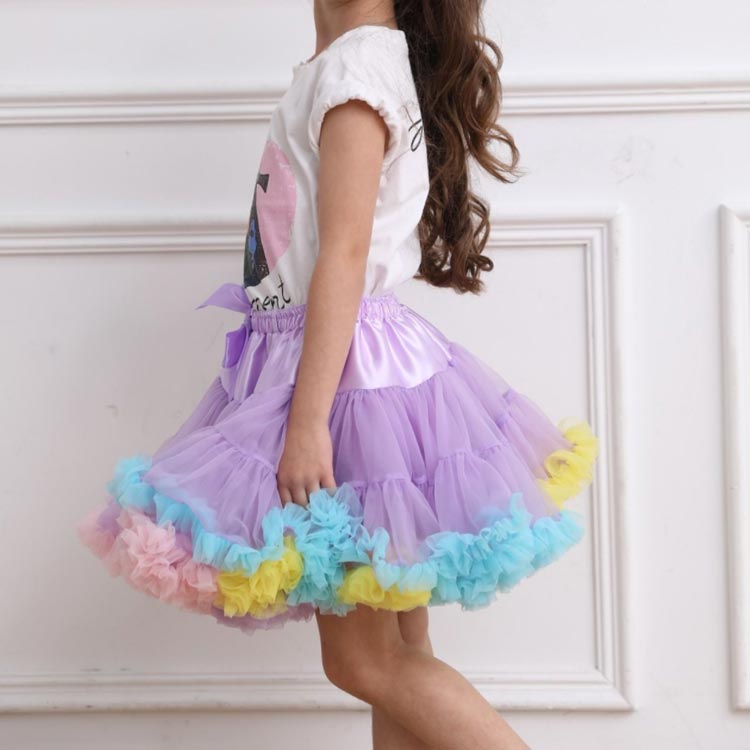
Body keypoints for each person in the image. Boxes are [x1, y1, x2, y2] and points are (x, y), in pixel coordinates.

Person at [77, 1, 599, 748]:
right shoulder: (358, 60)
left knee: (364, 662)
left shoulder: (355, 72)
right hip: (354, 364)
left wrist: (307, 421)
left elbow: (345, 255)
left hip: (344, 380)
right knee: (401, 650)